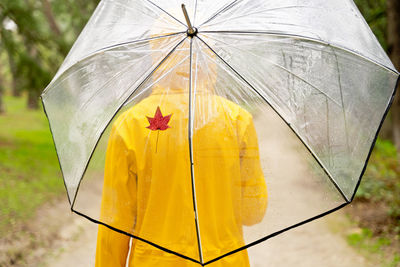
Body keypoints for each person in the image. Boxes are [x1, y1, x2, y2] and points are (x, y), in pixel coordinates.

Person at [95, 39, 267, 267]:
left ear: (157, 55)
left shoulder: (130, 125)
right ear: (209, 57)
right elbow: (252, 213)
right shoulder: (237, 120)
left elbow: (114, 223)